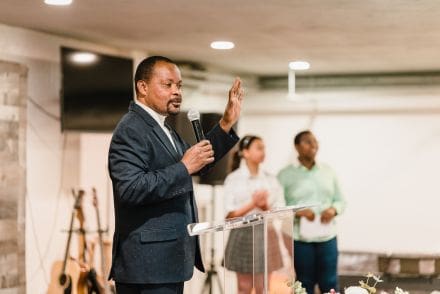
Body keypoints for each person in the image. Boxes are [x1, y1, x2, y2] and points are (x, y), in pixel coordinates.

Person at [108, 55, 243, 294]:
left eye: (179, 85)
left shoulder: (163, 126)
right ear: (142, 87)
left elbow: (196, 163)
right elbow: (130, 189)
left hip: (167, 260)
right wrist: (183, 167)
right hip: (147, 267)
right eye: (167, 84)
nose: (176, 91)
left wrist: (225, 123)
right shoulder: (131, 129)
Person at [277, 130, 346, 294]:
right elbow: (277, 206)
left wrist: (333, 209)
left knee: (329, 283)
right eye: (308, 142)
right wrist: (298, 212)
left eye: (315, 142)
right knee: (304, 284)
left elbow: (340, 200)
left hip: (328, 237)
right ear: (297, 147)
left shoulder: (328, 171)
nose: (313, 145)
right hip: (300, 240)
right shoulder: (285, 175)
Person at [223, 135, 285, 294]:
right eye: (259, 147)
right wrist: (253, 203)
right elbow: (229, 215)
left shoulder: (271, 179)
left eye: (264, 148)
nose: (263, 151)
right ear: (245, 152)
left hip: (266, 233)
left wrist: (264, 206)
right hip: (243, 233)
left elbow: (281, 212)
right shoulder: (233, 179)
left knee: (263, 288)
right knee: (243, 288)